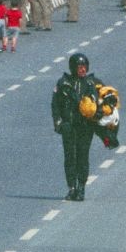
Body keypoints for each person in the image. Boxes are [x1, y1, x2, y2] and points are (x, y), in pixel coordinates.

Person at [51, 52, 104, 201]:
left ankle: (81, 187)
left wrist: (98, 115)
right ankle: (71, 187)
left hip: (85, 127)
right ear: (73, 67)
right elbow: (55, 105)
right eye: (79, 67)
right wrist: (58, 123)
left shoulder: (92, 83)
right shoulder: (63, 83)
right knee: (69, 157)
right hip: (69, 126)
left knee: (82, 156)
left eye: (84, 67)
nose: (82, 70)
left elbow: (104, 102)